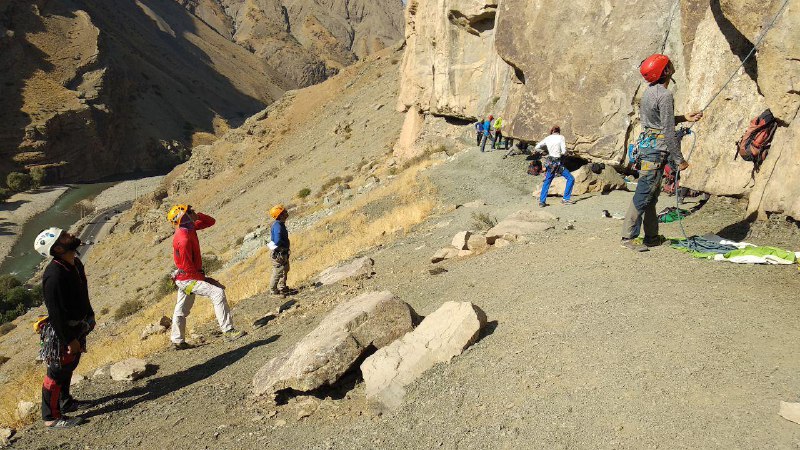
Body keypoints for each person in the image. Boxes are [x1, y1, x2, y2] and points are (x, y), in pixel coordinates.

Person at [621, 54, 703, 251]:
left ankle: (652, 236)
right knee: (643, 194)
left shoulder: (649, 92)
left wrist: (684, 117)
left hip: (648, 148)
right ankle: (628, 237)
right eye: (668, 64)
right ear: (665, 71)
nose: (671, 64)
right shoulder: (665, 95)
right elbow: (667, 130)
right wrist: (679, 159)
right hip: (656, 152)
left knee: (651, 196)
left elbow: (658, 121)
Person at [34, 227, 95, 428]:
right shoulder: (54, 276)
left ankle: (65, 402)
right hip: (63, 331)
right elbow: (56, 313)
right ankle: (50, 417)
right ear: (58, 248)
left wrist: (90, 315)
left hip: (77, 325)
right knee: (57, 371)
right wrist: (68, 339)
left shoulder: (75, 263)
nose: (71, 234)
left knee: (69, 366)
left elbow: (83, 292)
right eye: (64, 236)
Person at [167, 205, 245, 349]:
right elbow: (187, 267)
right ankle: (228, 331)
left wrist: (198, 216)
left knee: (181, 309)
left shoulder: (188, 229)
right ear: (182, 217)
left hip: (185, 278)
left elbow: (210, 222)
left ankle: (177, 340)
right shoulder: (183, 239)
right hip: (188, 278)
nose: (193, 212)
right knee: (217, 293)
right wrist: (205, 279)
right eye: (189, 211)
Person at [535, 126, 575, 207]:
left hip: (550, 163)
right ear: (559, 131)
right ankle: (566, 199)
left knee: (547, 181)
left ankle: (542, 201)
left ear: (552, 131)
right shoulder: (561, 137)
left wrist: (544, 152)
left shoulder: (548, 138)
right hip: (558, 163)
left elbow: (537, 147)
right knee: (570, 178)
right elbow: (564, 151)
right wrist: (563, 153)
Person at [268, 205, 297, 297]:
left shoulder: (279, 224)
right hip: (279, 254)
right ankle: (273, 291)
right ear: (280, 215)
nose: (286, 213)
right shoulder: (278, 226)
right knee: (278, 272)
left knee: (285, 269)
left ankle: (282, 288)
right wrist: (278, 249)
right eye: (284, 212)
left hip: (281, 253)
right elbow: (277, 240)